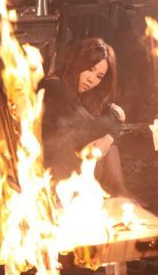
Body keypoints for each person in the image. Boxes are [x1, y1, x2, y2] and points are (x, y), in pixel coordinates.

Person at [39, 37, 135, 201]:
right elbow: (90, 128)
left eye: (99, 76)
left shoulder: (76, 90)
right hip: (50, 169)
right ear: (77, 62)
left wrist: (109, 136)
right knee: (100, 132)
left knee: (105, 135)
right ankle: (119, 190)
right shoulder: (54, 88)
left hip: (67, 161)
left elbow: (102, 123)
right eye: (90, 69)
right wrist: (116, 116)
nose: (92, 79)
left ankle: (120, 189)